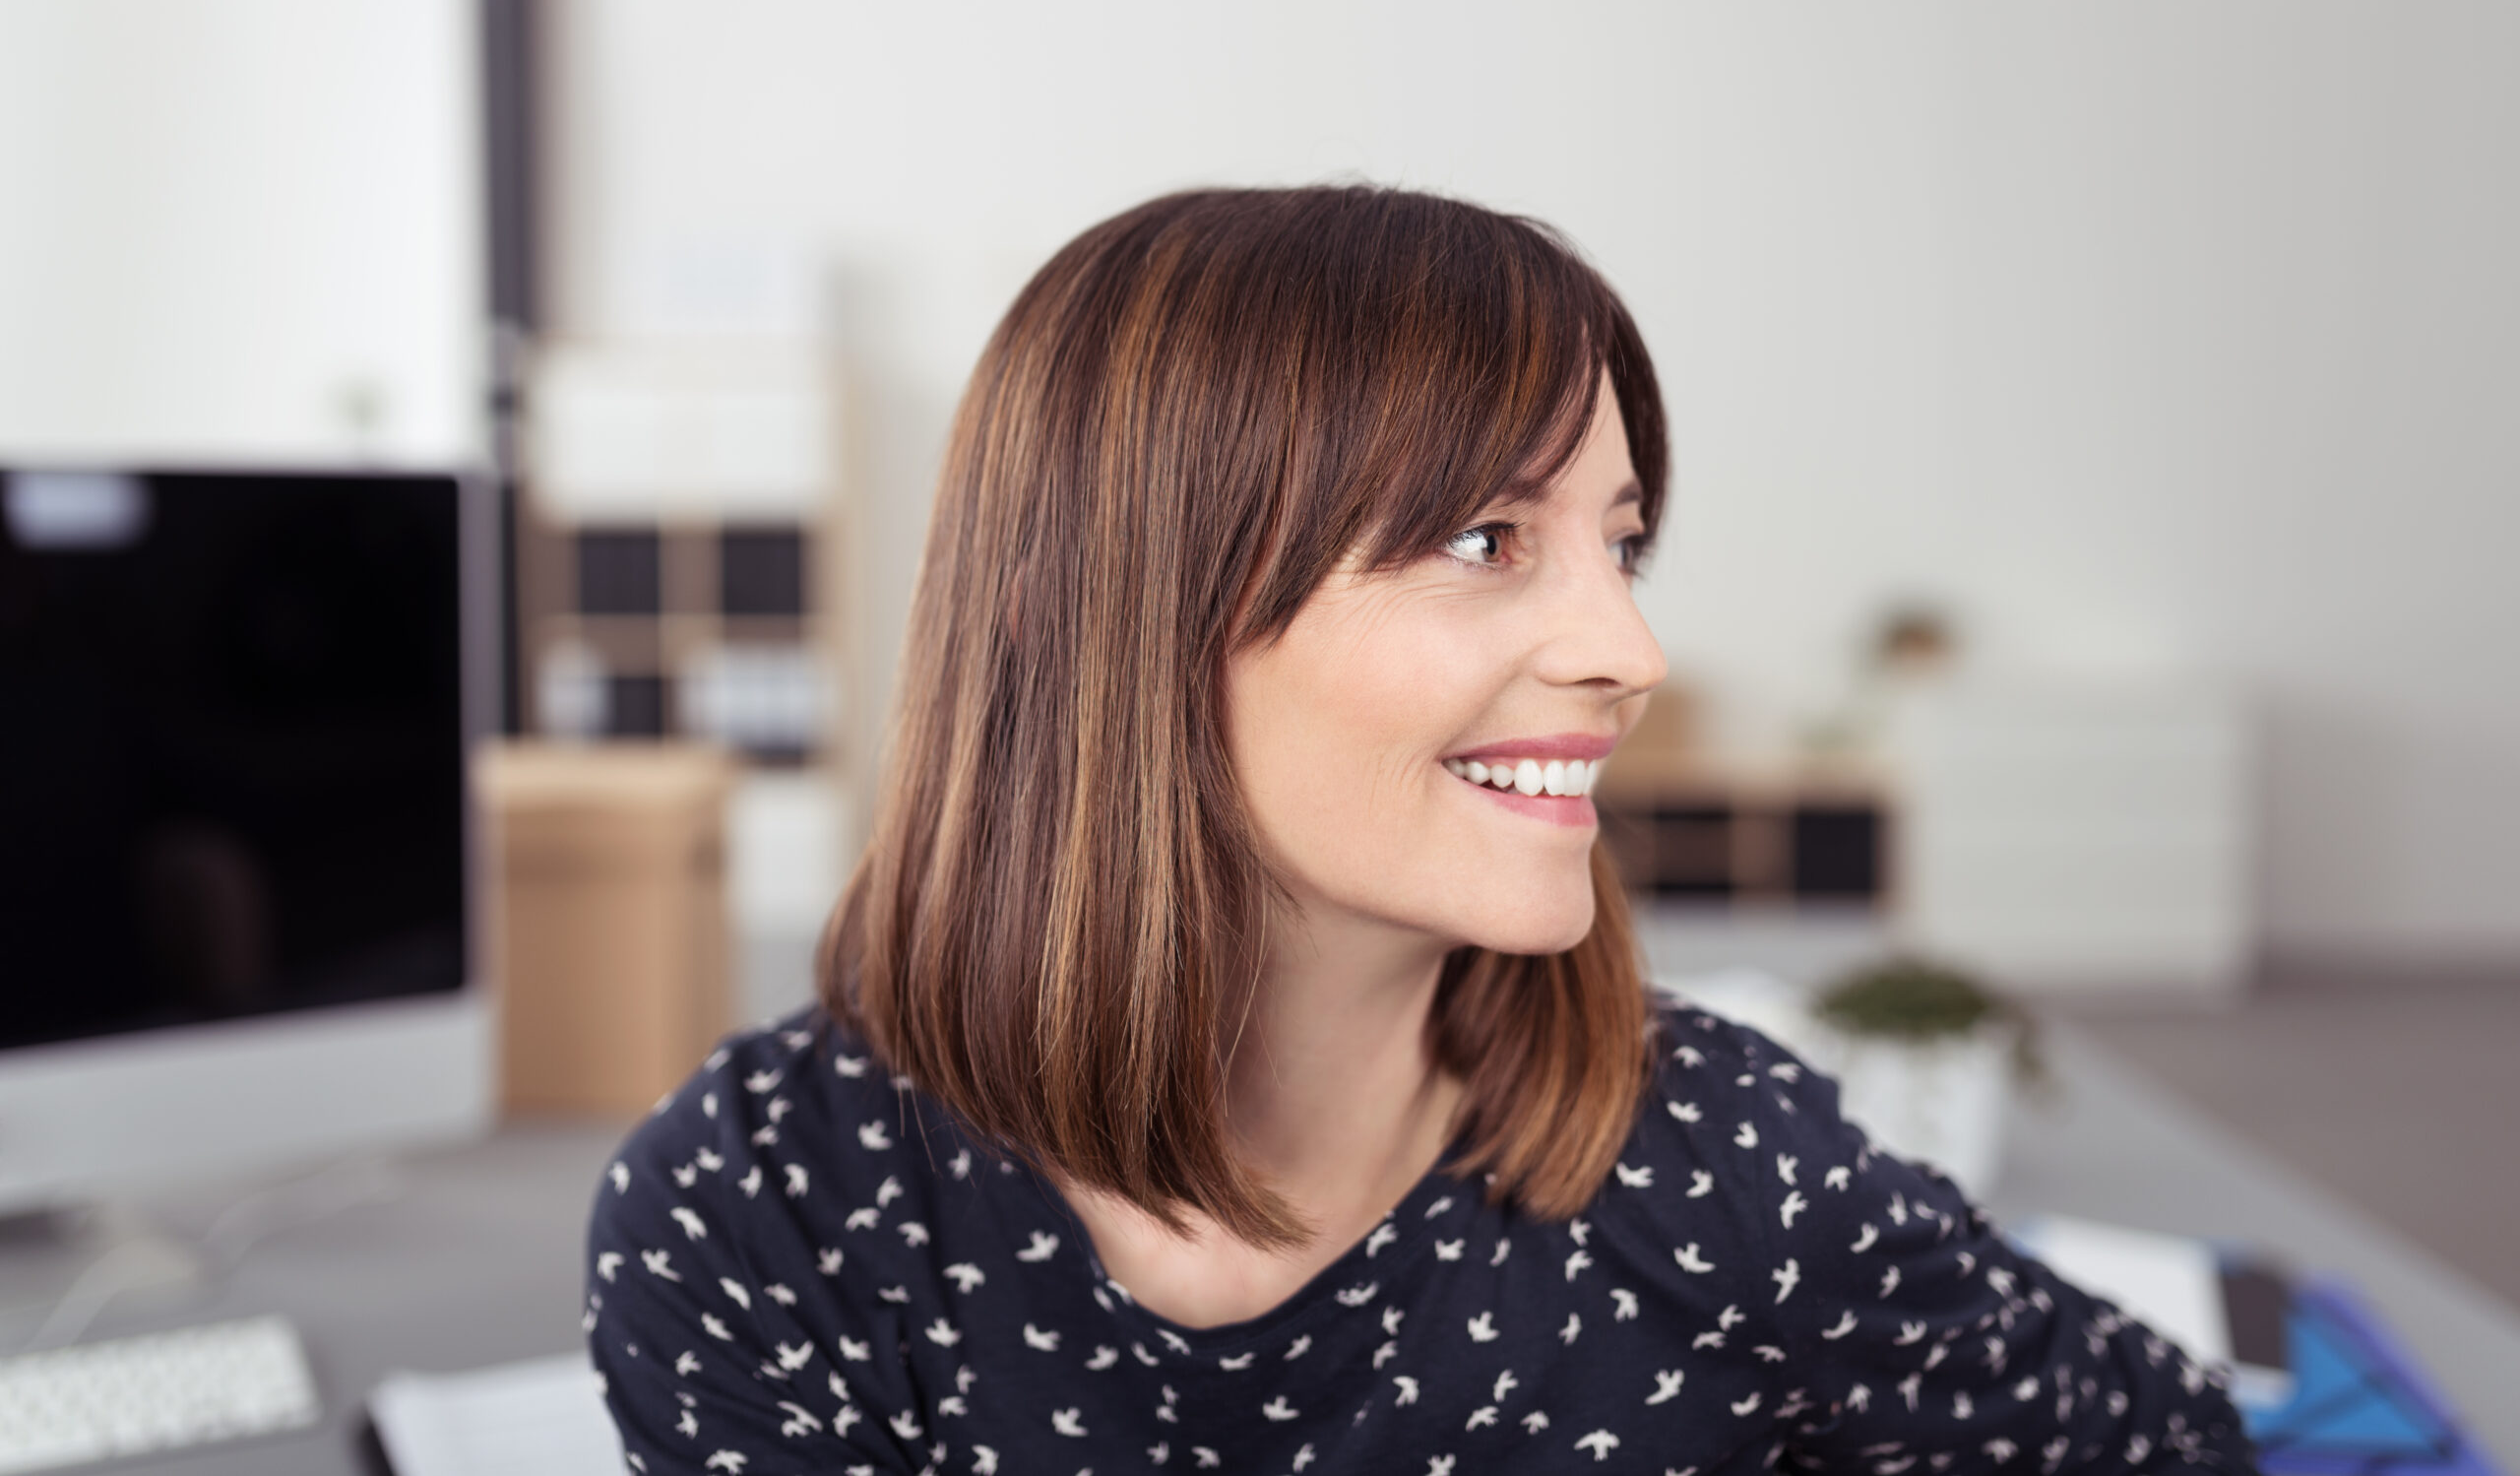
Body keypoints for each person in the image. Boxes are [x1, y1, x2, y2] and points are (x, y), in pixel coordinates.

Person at [585, 186, 2256, 1475]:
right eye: (1482, 536)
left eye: (1624, 542)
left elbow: (2173, 1443)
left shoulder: (1726, 1167)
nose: (1631, 653)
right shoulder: (757, 1209)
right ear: (1086, 614)